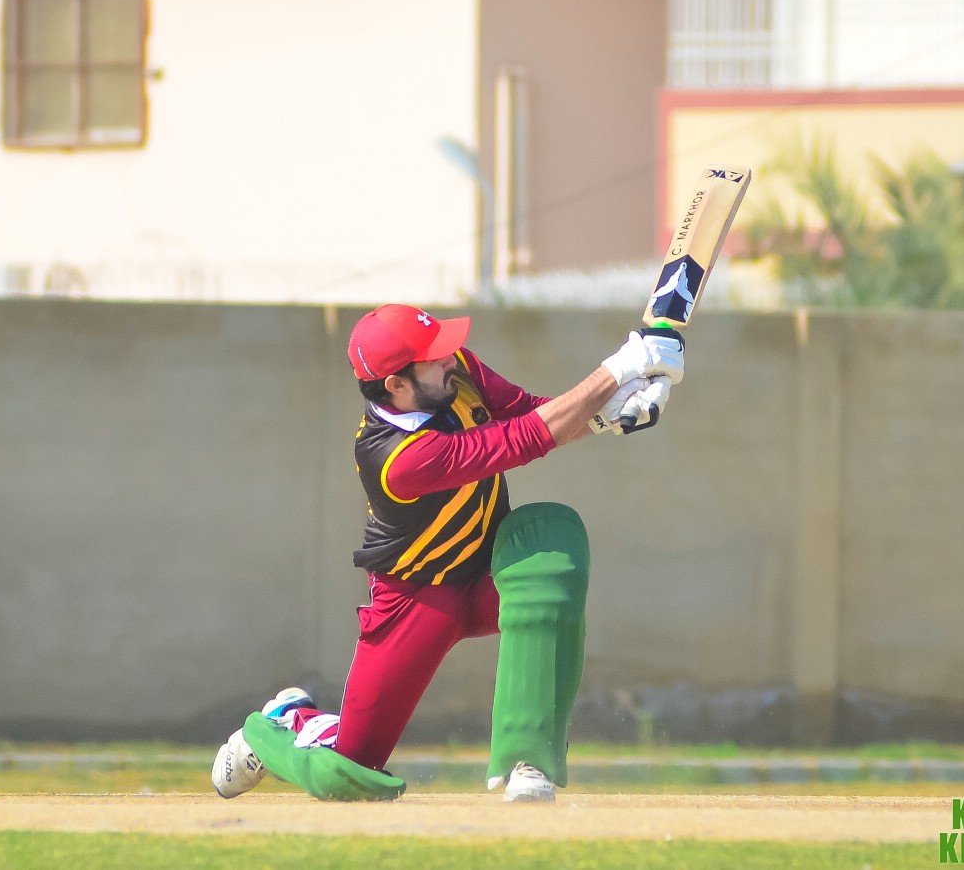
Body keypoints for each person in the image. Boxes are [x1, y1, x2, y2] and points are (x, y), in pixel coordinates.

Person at [211, 304, 682, 803]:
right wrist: (619, 369)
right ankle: (282, 724)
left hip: (488, 570)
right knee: (346, 774)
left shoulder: (454, 370)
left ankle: (530, 759)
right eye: (432, 358)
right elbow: (522, 439)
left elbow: (528, 413)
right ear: (396, 384)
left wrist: (615, 411)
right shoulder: (396, 459)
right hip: (417, 598)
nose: (448, 358)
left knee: (551, 562)